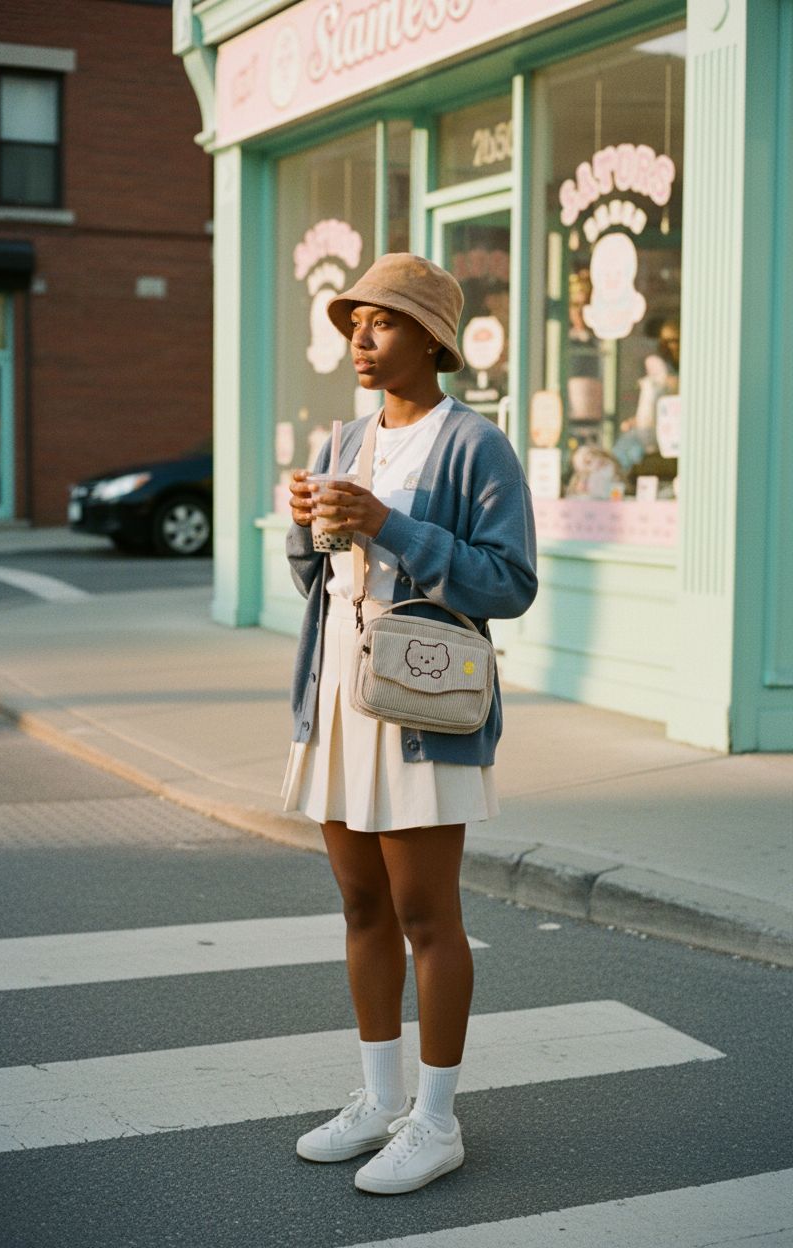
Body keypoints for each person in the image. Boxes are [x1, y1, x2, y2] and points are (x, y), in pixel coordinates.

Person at [283, 253, 538, 1195]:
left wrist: (389, 523)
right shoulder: (340, 440)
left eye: (381, 322)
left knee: (429, 917)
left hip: (427, 708)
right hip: (342, 703)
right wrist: (305, 526)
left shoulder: (475, 445)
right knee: (361, 907)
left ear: (430, 337)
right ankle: (379, 1101)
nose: (360, 336)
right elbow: (318, 581)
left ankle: (438, 1121)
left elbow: (508, 584)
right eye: (353, 321)